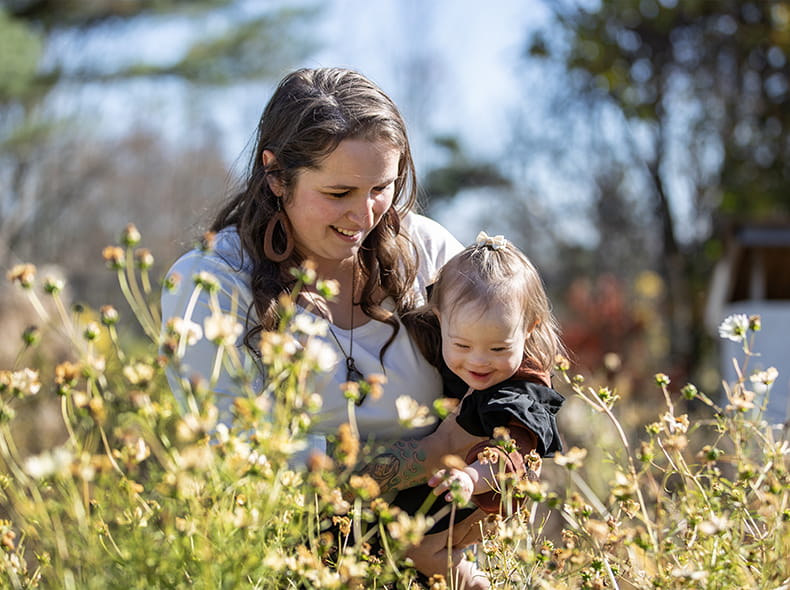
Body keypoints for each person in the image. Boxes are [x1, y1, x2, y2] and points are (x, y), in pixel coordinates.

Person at [160, 67, 492, 586]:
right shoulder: (209, 283)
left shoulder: (428, 251)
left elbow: (519, 378)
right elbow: (226, 464)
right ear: (275, 175)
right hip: (285, 565)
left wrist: (486, 479)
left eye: (381, 187)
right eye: (339, 193)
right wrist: (427, 457)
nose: (365, 215)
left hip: (446, 556)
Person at [394, 231, 565, 584]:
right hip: (449, 484)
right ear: (440, 320)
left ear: (528, 330)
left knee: (418, 549)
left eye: (499, 349)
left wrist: (473, 477)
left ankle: (474, 582)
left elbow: (510, 455)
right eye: (462, 345)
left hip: (485, 492)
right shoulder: (456, 349)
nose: (479, 361)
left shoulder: (520, 390)